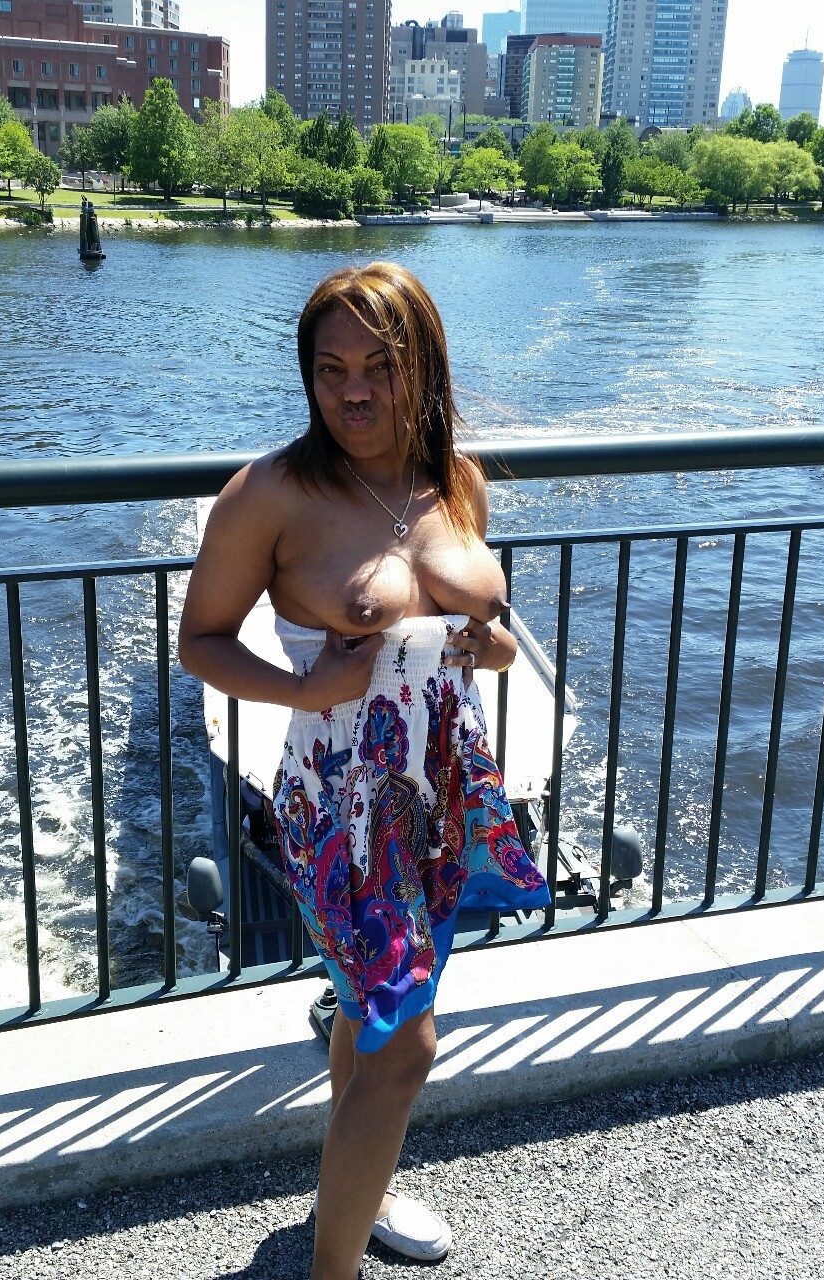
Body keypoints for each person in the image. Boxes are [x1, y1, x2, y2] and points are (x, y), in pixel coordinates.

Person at [179, 261, 550, 1280]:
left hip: (443, 794)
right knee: (408, 1044)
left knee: (368, 1012)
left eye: (380, 366)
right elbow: (201, 640)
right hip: (342, 806)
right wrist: (304, 689)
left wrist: (492, 649)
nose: (353, 391)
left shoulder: (456, 481)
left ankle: (358, 1192)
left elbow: (483, 628)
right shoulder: (271, 493)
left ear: (423, 365)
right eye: (330, 368)